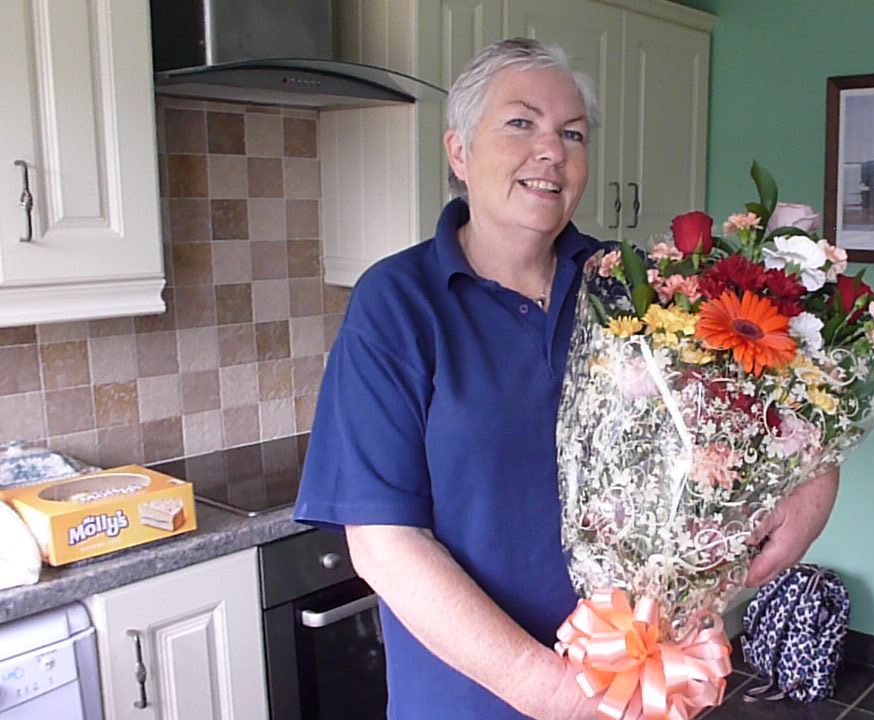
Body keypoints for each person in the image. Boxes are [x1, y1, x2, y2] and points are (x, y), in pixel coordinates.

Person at [293, 37, 841, 720]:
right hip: (472, 702)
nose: (551, 150)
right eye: (521, 123)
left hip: (640, 678)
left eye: (572, 133)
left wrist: (816, 480)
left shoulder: (630, 285)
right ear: (459, 151)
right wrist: (562, 698)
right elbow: (384, 544)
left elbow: (748, 410)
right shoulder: (398, 302)